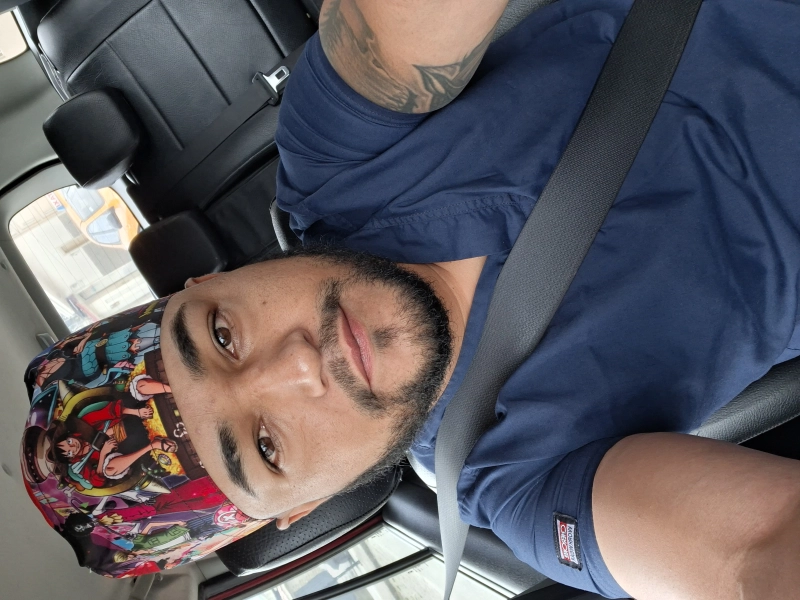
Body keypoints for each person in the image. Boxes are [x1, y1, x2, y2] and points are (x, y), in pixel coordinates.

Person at [119, 0, 800, 597]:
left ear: (206, 284)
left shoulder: (335, 161)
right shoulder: (521, 483)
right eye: (265, 446)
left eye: (222, 337)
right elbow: (753, 553)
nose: (296, 365)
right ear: (305, 507)